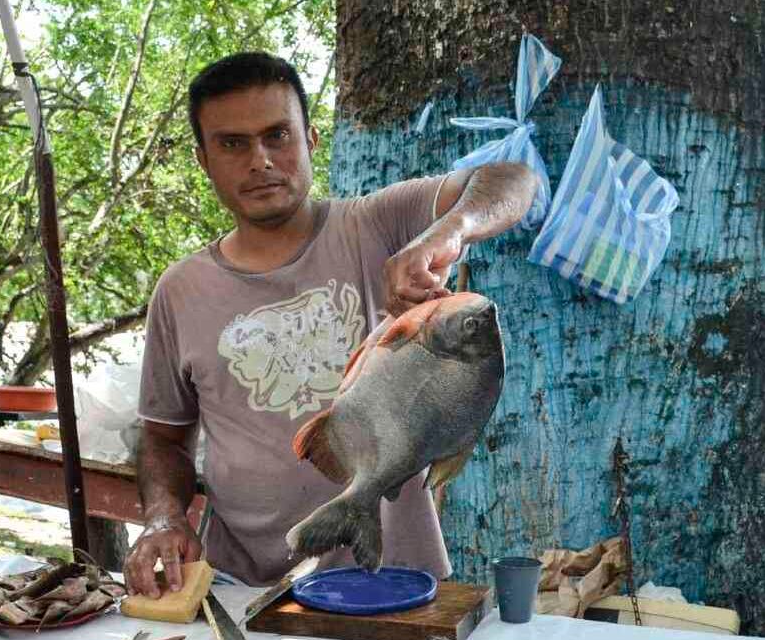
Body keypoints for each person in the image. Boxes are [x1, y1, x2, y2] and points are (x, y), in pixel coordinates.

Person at [126, 52, 535, 595]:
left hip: (393, 576)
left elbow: (512, 179)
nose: (261, 160)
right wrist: (164, 518)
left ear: (310, 139)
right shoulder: (179, 290)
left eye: (278, 136)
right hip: (242, 587)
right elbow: (162, 439)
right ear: (203, 160)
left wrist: (447, 233)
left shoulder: (377, 224)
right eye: (232, 144)